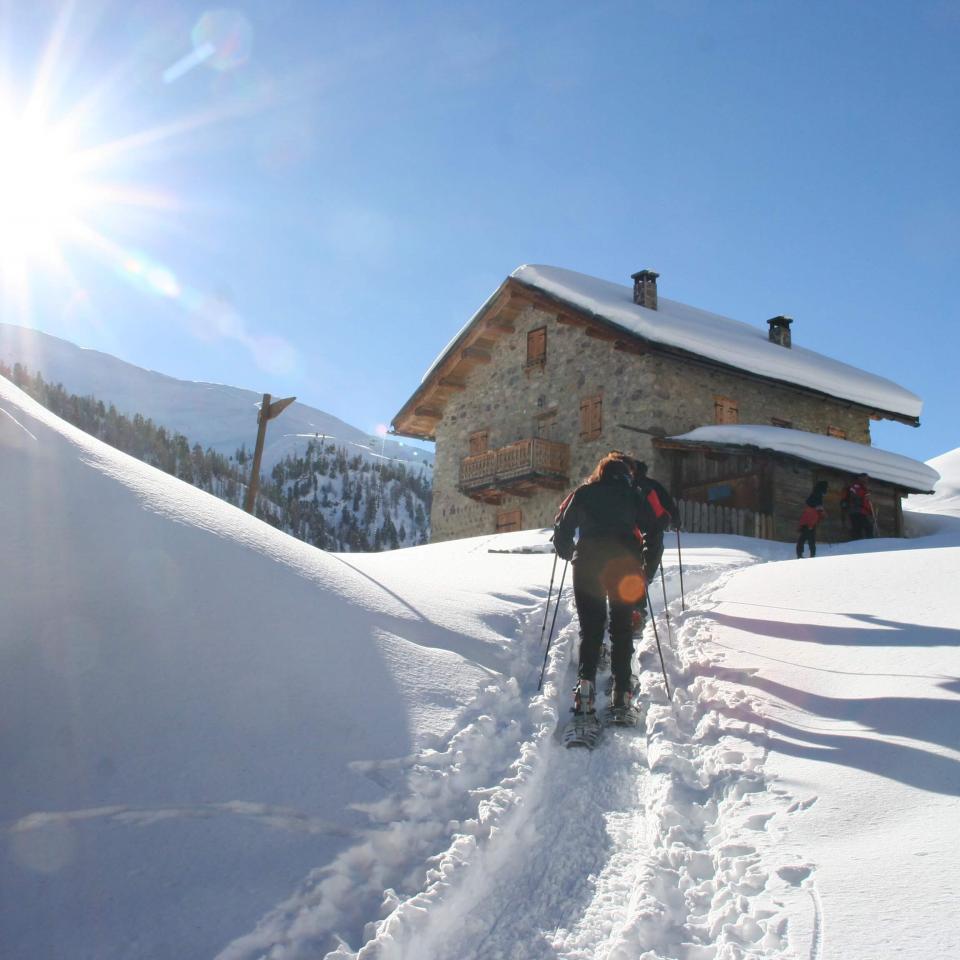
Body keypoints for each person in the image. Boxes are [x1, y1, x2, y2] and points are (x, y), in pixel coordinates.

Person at [553, 453, 658, 739]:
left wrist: (567, 551)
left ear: (601, 473)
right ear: (626, 475)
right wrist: (647, 567)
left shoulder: (585, 493)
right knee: (622, 629)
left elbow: (561, 526)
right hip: (625, 565)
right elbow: (654, 530)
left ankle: (584, 695)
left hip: (587, 562)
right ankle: (621, 695)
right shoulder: (634, 495)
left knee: (591, 628)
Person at [796, 480, 828, 558]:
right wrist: (822, 514)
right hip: (810, 521)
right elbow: (818, 508)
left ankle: (801, 554)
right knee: (809, 539)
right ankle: (810, 555)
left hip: (807, 520)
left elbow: (816, 508)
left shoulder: (815, 493)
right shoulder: (818, 495)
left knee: (803, 538)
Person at [841, 473, 875, 540]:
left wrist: (870, 511)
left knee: (861, 527)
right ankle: (864, 542)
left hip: (862, 511)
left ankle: (861, 541)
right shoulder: (856, 486)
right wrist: (862, 498)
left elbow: (867, 501)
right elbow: (854, 496)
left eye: (867, 478)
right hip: (857, 511)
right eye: (865, 478)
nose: (866, 479)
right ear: (860, 478)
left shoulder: (864, 487)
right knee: (865, 527)